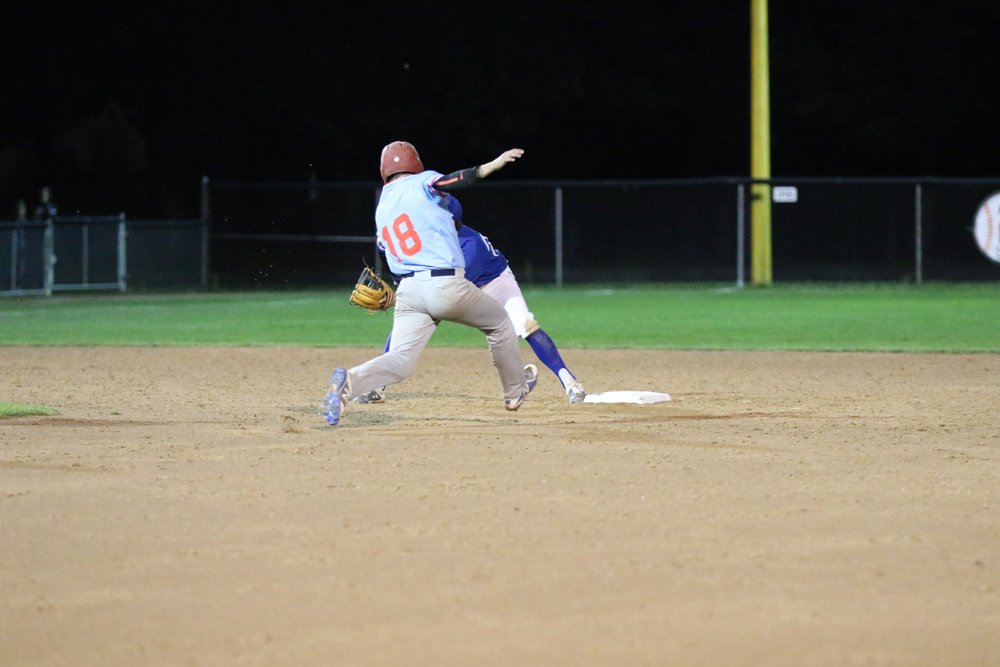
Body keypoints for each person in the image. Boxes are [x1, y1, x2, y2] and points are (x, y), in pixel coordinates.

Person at [322, 141, 537, 426]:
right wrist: (490, 166)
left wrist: (398, 289)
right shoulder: (424, 182)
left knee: (399, 360)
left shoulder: (383, 205)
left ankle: (348, 384)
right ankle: (515, 391)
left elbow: (385, 249)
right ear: (416, 164)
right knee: (500, 323)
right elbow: (454, 180)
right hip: (446, 284)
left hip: (409, 291)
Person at [355, 193, 586, 405]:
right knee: (409, 320)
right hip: (453, 287)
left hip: (496, 282)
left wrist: (398, 298)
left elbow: (448, 291)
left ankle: (570, 382)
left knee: (526, 325)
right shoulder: (432, 240)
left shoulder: (469, 246)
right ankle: (377, 387)